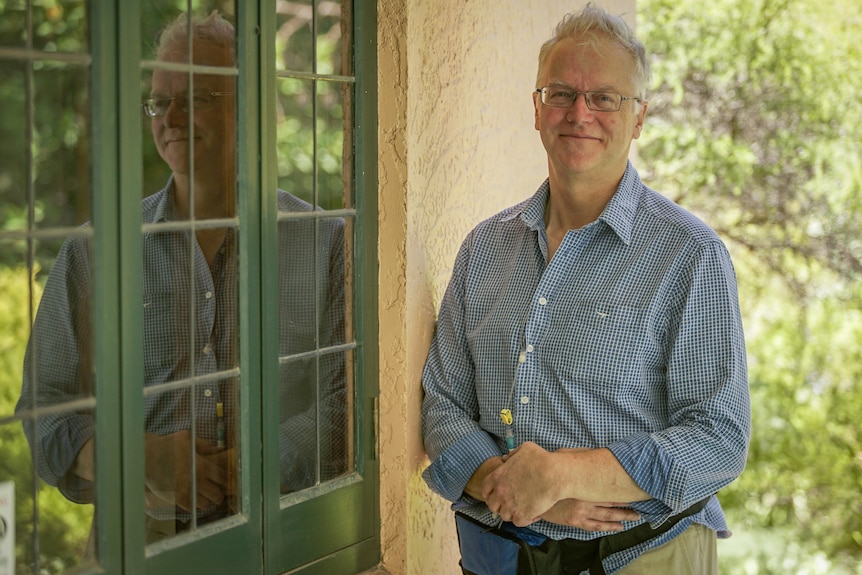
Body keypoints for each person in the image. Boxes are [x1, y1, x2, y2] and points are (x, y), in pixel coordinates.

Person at [421, 4, 751, 574]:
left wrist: (565, 475)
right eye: (561, 94)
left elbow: (718, 439)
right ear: (536, 108)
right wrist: (515, 487)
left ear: (639, 118)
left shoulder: (689, 255)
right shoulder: (483, 250)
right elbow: (442, 404)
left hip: (643, 554)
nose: (580, 112)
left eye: (605, 97)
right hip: (501, 554)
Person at [17, 11, 346, 543]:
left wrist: (240, 474)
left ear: (247, 109)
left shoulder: (324, 241)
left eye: (193, 99)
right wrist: (138, 460)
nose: (168, 117)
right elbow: (43, 412)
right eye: (158, 101)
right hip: (142, 547)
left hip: (283, 540)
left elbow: (344, 406)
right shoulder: (95, 252)